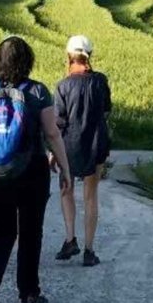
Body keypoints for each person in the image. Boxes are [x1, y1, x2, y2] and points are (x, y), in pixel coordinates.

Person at [0, 35, 73, 303]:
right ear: (28, 61)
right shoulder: (38, 92)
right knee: (30, 232)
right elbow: (51, 133)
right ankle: (29, 294)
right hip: (31, 170)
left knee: (2, 231)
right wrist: (65, 168)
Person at [54, 34, 112, 267]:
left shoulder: (62, 85)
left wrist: (52, 151)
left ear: (69, 57)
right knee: (91, 196)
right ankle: (89, 250)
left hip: (68, 146)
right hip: (96, 144)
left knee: (66, 191)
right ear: (90, 56)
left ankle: (70, 239)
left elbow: (58, 122)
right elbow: (107, 110)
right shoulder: (100, 81)